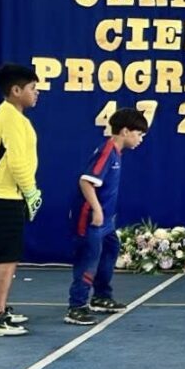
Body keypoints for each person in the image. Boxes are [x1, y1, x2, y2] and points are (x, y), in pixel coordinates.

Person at [0, 64, 43, 337]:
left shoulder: (13, 116)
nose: (36, 93)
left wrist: (27, 192)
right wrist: (31, 192)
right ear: (16, 90)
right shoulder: (10, 117)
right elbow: (16, 162)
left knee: (5, 256)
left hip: (5, 195)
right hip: (2, 196)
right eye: (32, 88)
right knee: (5, 257)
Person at [65, 107, 149, 326]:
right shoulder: (107, 152)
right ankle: (77, 306)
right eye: (139, 134)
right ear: (125, 131)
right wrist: (97, 210)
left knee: (110, 250)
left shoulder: (116, 153)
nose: (140, 139)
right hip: (90, 219)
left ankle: (101, 296)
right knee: (89, 259)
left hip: (106, 222)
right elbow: (85, 181)